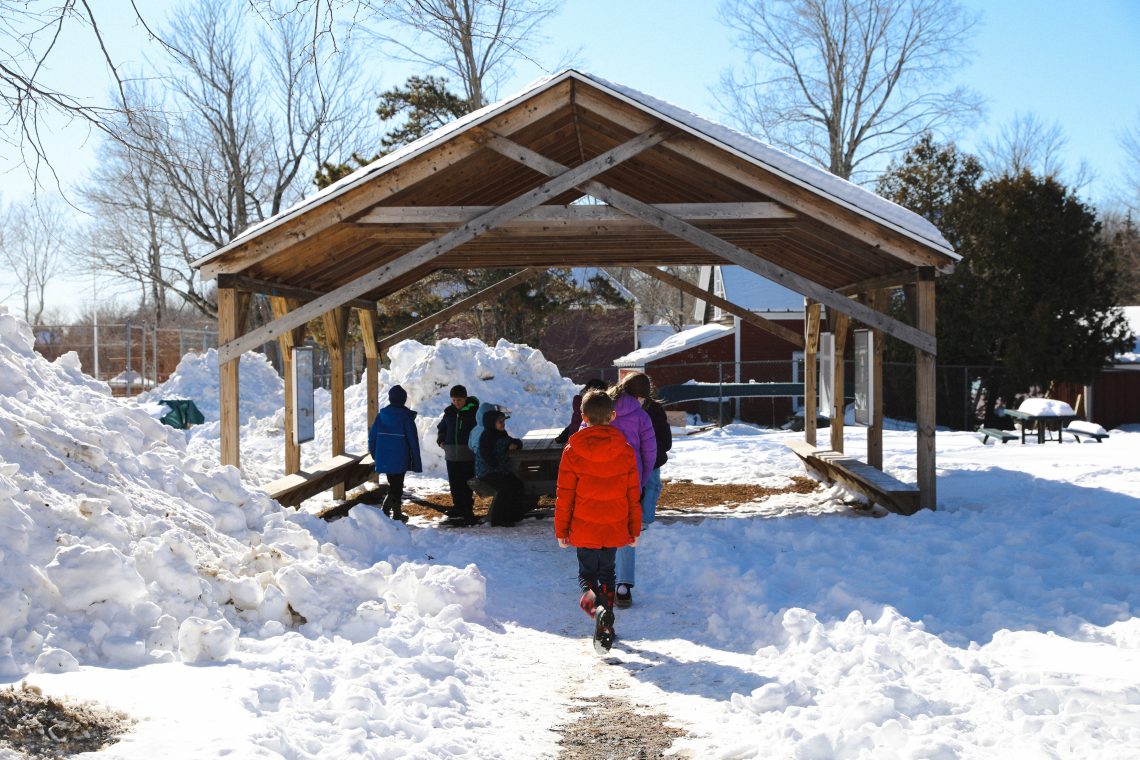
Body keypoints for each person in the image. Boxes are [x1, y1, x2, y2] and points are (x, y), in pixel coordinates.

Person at [554, 390, 641, 651]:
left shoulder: (572, 451)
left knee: (587, 578)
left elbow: (564, 495)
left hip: (584, 528)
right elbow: (632, 495)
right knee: (608, 574)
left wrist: (562, 530)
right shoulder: (625, 451)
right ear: (612, 416)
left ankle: (598, 611)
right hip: (614, 527)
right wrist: (634, 529)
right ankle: (607, 624)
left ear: (583, 417)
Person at [612, 372, 671, 608]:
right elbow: (650, 451)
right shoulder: (643, 414)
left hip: (603, 475)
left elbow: (584, 434)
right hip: (632, 476)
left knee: (602, 528)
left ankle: (598, 584)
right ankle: (621, 585)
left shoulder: (605, 405)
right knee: (625, 529)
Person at [368, 384, 422, 523]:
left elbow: (372, 438)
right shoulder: (406, 418)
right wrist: (415, 461)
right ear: (403, 400)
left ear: (390, 399)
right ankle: (386, 512)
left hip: (385, 458)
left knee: (394, 485)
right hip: (400, 459)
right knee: (396, 487)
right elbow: (413, 441)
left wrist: (375, 455)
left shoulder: (381, 416)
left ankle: (395, 513)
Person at [474, 408, 529, 526]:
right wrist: (497, 465)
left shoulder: (502, 433)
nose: (503, 424)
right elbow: (486, 454)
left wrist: (514, 444)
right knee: (505, 488)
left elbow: (514, 442)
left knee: (518, 484)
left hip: (500, 470)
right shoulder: (487, 436)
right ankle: (499, 519)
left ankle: (515, 514)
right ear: (491, 423)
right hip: (487, 471)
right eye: (500, 421)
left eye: (503, 421)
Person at [436, 384, 480, 526]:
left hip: (467, 454)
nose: (456, 403)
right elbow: (442, 428)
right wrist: (441, 440)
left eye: (459, 400)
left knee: (467, 482)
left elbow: (480, 430)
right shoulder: (449, 412)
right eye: (454, 400)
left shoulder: (474, 412)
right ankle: (458, 508)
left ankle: (467, 508)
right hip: (451, 454)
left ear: (465, 398)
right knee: (455, 483)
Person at [554, 378, 609, 444]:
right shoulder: (593, 408)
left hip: (573, 442)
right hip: (584, 443)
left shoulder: (579, 403)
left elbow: (575, 424)